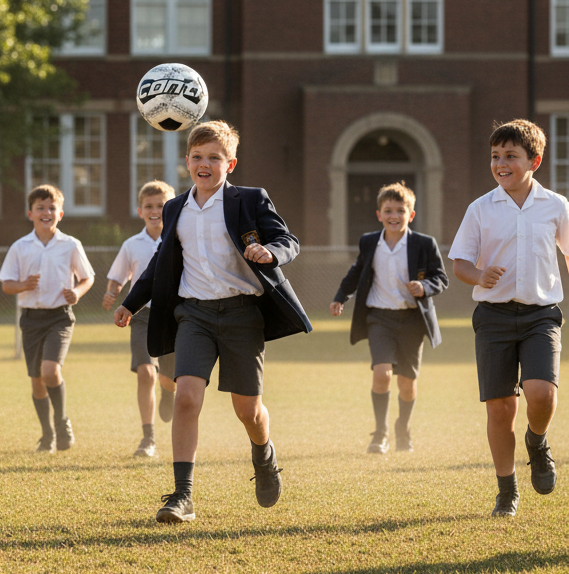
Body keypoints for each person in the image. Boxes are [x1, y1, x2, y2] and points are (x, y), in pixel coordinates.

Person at [114, 120, 311, 524]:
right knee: (186, 396)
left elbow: (288, 241)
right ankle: (182, 496)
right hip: (194, 314)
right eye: (198, 157)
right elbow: (159, 264)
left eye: (214, 158)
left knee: (249, 412)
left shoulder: (250, 199)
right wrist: (131, 302)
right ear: (187, 161)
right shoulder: (174, 208)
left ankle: (264, 454)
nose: (205, 164)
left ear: (230, 163)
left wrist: (270, 253)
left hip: (242, 314)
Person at [449, 119, 569, 518]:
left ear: (534, 160)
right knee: (500, 409)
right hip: (494, 318)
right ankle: (507, 491)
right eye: (495, 157)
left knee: (542, 394)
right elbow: (461, 263)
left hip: (541, 315)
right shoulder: (480, 209)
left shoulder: (556, 206)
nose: (501, 163)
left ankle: (537, 442)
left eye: (510, 156)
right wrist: (479, 275)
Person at [330, 182, 447, 454]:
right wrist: (340, 296)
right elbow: (356, 271)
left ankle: (402, 428)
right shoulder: (369, 241)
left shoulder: (424, 244)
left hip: (411, 321)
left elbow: (441, 278)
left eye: (400, 210)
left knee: (407, 384)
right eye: (388, 210)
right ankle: (380, 433)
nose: (394, 216)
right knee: (382, 374)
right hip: (379, 318)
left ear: (411, 215)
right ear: (379, 214)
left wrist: (424, 287)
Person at [0, 184, 94, 452]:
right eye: (40, 207)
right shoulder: (20, 247)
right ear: (30, 213)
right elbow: (7, 285)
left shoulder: (70, 245)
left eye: (52, 207)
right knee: (37, 380)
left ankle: (62, 421)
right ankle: (48, 434)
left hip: (59, 318)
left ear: (60, 213)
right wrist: (23, 285)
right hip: (30, 319)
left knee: (50, 370)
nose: (46, 212)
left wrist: (76, 291)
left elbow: (88, 277)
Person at [103, 180, 177, 458]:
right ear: (140, 211)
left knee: (168, 379)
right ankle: (148, 438)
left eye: (161, 205)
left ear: (170, 208)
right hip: (142, 316)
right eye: (149, 206)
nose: (155, 210)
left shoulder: (179, 238)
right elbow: (117, 277)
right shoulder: (132, 244)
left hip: (173, 317)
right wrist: (112, 293)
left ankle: (168, 391)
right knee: (146, 373)